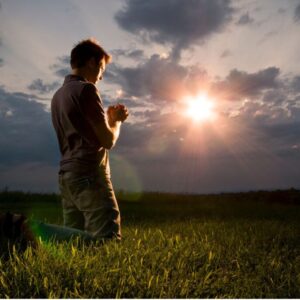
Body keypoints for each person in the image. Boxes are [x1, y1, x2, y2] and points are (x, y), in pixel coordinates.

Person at [51, 38, 128, 241]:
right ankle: (25, 230)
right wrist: (116, 121)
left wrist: (108, 119)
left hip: (67, 175)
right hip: (89, 173)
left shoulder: (57, 96)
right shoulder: (86, 89)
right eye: (102, 68)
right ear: (92, 62)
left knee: (74, 241)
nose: (101, 77)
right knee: (107, 240)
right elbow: (108, 141)